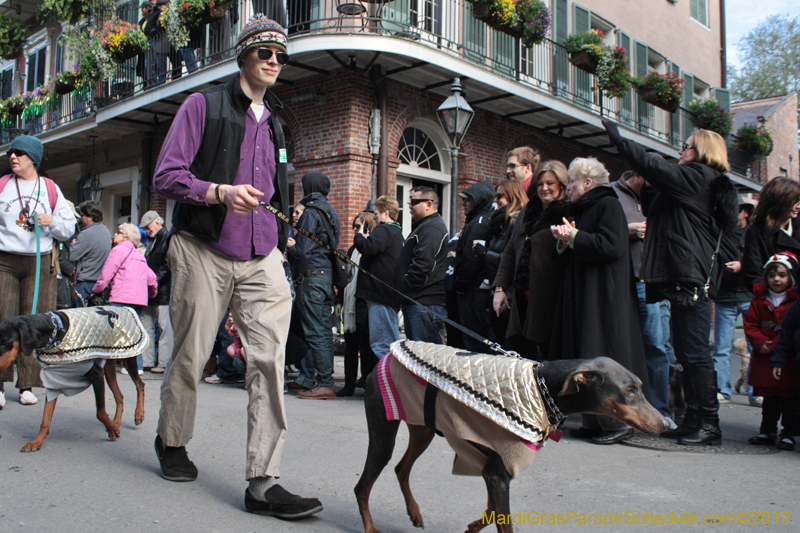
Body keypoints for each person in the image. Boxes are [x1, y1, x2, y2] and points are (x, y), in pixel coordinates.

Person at [152, 15, 322, 518]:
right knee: (190, 354)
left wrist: (284, 239)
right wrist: (218, 192)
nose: (274, 61)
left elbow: (279, 187)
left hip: (262, 254)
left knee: (269, 361)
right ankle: (173, 441)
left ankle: (263, 481)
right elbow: (166, 175)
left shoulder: (278, 125)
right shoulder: (202, 105)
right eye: (265, 51)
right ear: (244, 55)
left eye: (281, 55)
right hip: (202, 245)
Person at [603, 121, 739, 446]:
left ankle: (709, 423)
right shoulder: (695, 181)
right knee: (685, 350)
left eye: (687, 145)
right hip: (681, 274)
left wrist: (619, 137)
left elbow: (653, 167)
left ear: (702, 151)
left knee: (694, 352)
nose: (681, 150)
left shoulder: (699, 176)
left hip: (690, 275)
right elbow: (656, 196)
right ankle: (693, 418)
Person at [550, 157, 648, 445]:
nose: (568, 188)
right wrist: (564, 239)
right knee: (586, 355)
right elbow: (578, 246)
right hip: (583, 291)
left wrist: (575, 235)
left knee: (603, 355)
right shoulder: (583, 207)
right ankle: (593, 418)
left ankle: (617, 421)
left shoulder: (608, 204)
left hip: (604, 294)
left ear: (588, 183)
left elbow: (612, 246)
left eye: (572, 181)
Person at [0, 135, 76, 407]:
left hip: (39, 260)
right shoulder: (2, 186)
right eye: (11, 153)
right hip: (5, 259)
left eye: (19, 153)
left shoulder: (50, 188)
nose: (13, 157)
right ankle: (0, 382)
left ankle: (27, 385)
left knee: (33, 322)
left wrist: (51, 220)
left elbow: (69, 229)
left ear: (33, 158)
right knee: (3, 317)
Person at [611, 170, 674, 428]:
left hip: (652, 282)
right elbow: (600, 232)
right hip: (624, 283)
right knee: (623, 348)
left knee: (657, 348)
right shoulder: (612, 194)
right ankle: (623, 413)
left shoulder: (656, 198)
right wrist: (628, 231)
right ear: (639, 174)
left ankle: (661, 412)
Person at [493, 161, 571, 358]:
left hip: (550, 300)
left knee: (548, 357)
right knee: (518, 353)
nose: (544, 188)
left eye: (550, 183)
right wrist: (500, 287)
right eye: (540, 184)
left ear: (561, 184)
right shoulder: (527, 212)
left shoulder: (568, 212)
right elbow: (510, 250)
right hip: (521, 298)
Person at [744, 253, 799, 451]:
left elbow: (790, 329)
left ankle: (789, 433)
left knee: (789, 398)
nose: (776, 279)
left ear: (790, 277)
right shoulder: (759, 300)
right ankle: (767, 431)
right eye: (772, 275)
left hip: (787, 358)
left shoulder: (794, 302)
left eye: (782, 275)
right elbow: (750, 324)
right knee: (769, 398)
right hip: (764, 357)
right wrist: (760, 342)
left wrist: (775, 344)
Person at [293, 171, 340, 400]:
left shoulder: (310, 212)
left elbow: (302, 249)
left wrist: (290, 250)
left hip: (311, 276)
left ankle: (324, 383)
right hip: (326, 276)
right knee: (322, 330)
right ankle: (324, 380)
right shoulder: (331, 212)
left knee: (316, 332)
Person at [92, 223, 158, 374]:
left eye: (119, 232)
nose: (115, 235)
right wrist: (152, 292)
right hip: (139, 299)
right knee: (134, 332)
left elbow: (106, 275)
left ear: (126, 236)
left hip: (121, 296)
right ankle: (137, 367)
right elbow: (152, 277)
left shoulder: (118, 251)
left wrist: (96, 290)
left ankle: (105, 366)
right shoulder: (137, 255)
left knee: (113, 330)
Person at [712, 202, 756, 405]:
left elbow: (761, 259)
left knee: (755, 346)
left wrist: (742, 264)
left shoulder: (754, 233)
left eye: (735, 210)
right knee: (721, 347)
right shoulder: (721, 234)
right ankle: (723, 390)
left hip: (750, 297)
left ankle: (756, 392)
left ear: (745, 213)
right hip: (725, 297)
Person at [396, 186, 449, 344]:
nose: (408, 203)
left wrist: (405, 288)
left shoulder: (431, 228)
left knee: (425, 359)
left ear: (428, 204)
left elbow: (423, 266)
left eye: (413, 201)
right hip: (417, 302)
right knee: (417, 357)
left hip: (424, 304)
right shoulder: (424, 226)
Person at [353, 195, 403, 360]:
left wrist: (359, 236)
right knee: (391, 342)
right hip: (390, 295)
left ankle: (388, 383)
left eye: (376, 213)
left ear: (385, 213)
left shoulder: (384, 230)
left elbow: (369, 248)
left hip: (379, 295)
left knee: (382, 345)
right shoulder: (398, 233)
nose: (374, 217)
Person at [479, 180, 527, 344]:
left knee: (511, 346)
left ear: (513, 196)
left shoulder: (517, 222)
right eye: (495, 196)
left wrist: (486, 253)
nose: (495, 200)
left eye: (500, 196)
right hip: (498, 292)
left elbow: (512, 261)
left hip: (510, 296)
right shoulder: (500, 223)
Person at [338, 215, 375, 397]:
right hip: (350, 303)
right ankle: (349, 384)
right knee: (350, 346)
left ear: (368, 227)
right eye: (353, 226)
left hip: (364, 303)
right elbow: (347, 277)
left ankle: (368, 382)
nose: (354, 229)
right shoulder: (353, 248)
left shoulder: (371, 248)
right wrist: (339, 301)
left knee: (367, 346)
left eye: (358, 226)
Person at [742, 177, 800, 288]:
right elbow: (752, 275)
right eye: (794, 201)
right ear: (779, 201)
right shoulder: (757, 232)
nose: (798, 206)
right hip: (777, 301)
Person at [139, 210, 171, 373]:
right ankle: (148, 361)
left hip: (162, 290)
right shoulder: (156, 239)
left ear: (157, 222)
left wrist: (153, 283)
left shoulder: (165, 238)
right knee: (150, 326)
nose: (146, 230)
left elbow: (167, 266)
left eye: (147, 226)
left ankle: (163, 362)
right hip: (154, 289)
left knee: (164, 326)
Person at [70, 201, 112, 307]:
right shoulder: (106, 231)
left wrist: (71, 245)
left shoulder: (87, 233)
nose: (81, 219)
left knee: (79, 317)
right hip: (99, 283)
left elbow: (71, 255)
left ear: (90, 216)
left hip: (84, 282)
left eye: (82, 215)